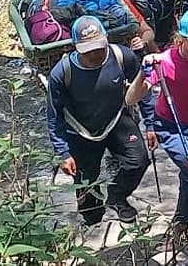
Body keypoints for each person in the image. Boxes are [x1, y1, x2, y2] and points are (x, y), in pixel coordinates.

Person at [128, 9, 188, 245]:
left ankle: (180, 221)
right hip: (170, 126)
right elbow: (130, 99)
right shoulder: (166, 62)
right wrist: (143, 72)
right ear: (181, 39)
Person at [47, 16, 152, 226]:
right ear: (76, 48)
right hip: (81, 131)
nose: (95, 54)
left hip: (116, 120)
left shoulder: (122, 56)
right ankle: (92, 216)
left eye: (99, 48)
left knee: (138, 161)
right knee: (86, 183)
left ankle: (117, 196)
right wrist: (63, 153)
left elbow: (142, 87)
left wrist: (151, 124)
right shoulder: (62, 73)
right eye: (88, 50)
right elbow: (54, 116)